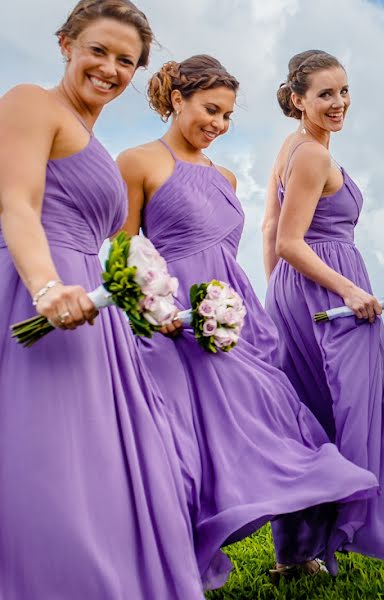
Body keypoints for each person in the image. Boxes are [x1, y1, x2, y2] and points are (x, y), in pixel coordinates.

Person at [117, 54, 380, 586]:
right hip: (173, 324)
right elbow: (122, 253)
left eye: (228, 115)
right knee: (184, 445)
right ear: (176, 100)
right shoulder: (137, 162)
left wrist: (254, 306)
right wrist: (156, 310)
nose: (218, 124)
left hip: (234, 321)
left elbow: (235, 250)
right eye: (210, 110)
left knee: (278, 425)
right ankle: (170, 565)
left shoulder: (226, 176)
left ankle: (302, 541)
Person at [0, 1, 205, 597]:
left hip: (94, 312)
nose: (110, 68)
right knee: (49, 461)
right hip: (40, 294)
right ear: (65, 43)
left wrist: (153, 309)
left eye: (126, 60)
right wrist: (44, 287)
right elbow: (16, 203)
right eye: (98, 50)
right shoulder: (30, 103)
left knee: (104, 468)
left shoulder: (91, 136)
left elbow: (115, 244)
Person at [263, 50, 384, 565]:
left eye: (344, 91)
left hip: (299, 291)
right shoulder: (310, 154)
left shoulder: (291, 147)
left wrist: (280, 297)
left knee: (309, 414)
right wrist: (348, 291)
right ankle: (341, 531)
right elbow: (289, 239)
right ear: (298, 99)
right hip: (330, 292)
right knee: (355, 410)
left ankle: (300, 550)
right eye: (325, 94)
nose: (339, 103)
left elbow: (270, 231)